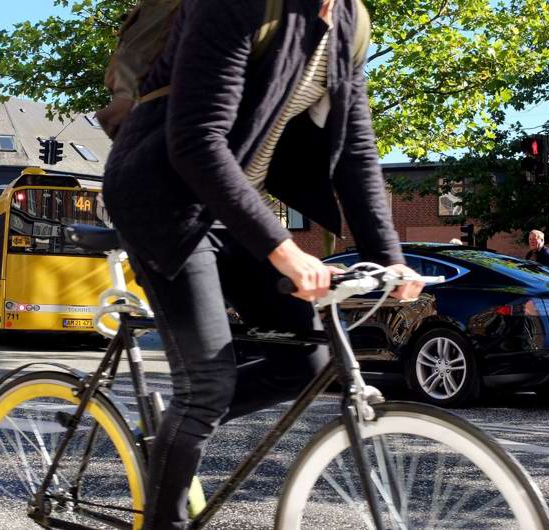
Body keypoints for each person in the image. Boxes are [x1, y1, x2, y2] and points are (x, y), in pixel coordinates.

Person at [103, 1, 424, 527]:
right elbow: (196, 141)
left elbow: (356, 151)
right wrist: (286, 250)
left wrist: (389, 259)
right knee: (206, 384)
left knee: (308, 361)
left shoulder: (350, 21)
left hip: (233, 205)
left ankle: (175, 435)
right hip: (161, 198)